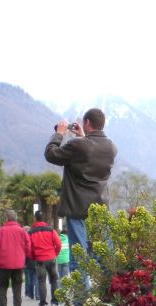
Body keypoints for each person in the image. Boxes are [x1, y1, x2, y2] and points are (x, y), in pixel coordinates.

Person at [44, 108, 117, 278]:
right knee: (105, 256)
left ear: (87, 123)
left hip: (77, 208)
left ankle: (81, 294)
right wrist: (83, 137)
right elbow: (89, 153)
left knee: (79, 257)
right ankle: (109, 290)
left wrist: (59, 134)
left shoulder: (78, 146)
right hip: (100, 209)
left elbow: (51, 154)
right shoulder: (111, 147)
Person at [0, 210, 31, 306]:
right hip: (18, 263)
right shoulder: (22, 231)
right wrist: (24, 257)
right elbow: (28, 246)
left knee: (2, 286)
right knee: (17, 287)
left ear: (6, 218)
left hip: (4, 263)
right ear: (16, 218)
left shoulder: (1, 231)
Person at [28, 211, 61, 306]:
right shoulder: (51, 230)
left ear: (35, 218)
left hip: (39, 259)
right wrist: (55, 254)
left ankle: (43, 305)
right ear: (44, 218)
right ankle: (55, 303)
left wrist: (34, 257)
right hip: (51, 258)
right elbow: (58, 244)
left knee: (41, 281)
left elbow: (29, 248)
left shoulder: (31, 232)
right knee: (54, 280)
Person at [23, 226, 38, 300]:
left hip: (28, 261)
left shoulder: (25, 240)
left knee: (29, 279)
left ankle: (30, 294)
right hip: (36, 260)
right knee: (36, 279)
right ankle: (37, 294)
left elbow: (25, 252)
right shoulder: (36, 238)